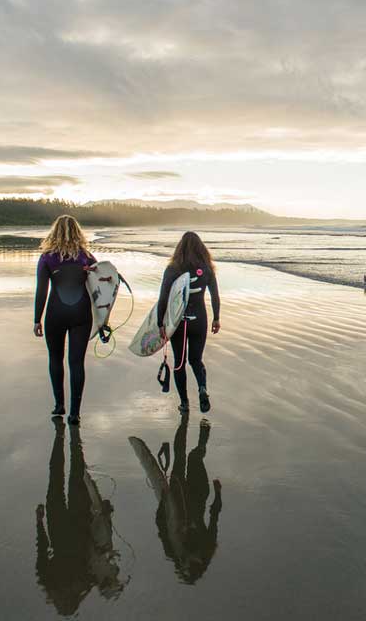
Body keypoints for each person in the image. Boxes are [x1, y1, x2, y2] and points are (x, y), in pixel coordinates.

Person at [35, 419, 125, 611]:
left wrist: (39, 522)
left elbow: (42, 554)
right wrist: (104, 514)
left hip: (62, 524)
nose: (64, 598)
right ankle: (69, 437)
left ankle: (64, 436)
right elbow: (98, 551)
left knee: (61, 475)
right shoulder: (83, 582)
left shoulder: (60, 583)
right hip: (76, 521)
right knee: (69, 474)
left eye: (62, 601)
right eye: (67, 601)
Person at [128, 416, 222, 584]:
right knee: (194, 457)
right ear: (200, 560)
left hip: (175, 496)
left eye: (190, 559)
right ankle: (200, 436)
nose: (195, 556)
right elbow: (214, 517)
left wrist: (164, 501)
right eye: (197, 558)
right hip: (198, 494)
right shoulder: (207, 547)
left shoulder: (171, 549)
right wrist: (218, 493)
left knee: (179, 457)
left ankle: (184, 423)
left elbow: (159, 523)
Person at [34, 215, 97, 425]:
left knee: (55, 358)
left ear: (54, 232)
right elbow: (104, 284)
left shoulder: (47, 258)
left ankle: (59, 404)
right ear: (78, 233)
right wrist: (103, 319)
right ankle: (74, 413)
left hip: (55, 313)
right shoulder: (86, 257)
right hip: (81, 314)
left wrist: (37, 319)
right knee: (76, 363)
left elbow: (41, 291)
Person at [157, 231, 220, 413]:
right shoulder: (207, 268)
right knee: (196, 360)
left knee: (180, 362)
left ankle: (184, 404)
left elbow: (163, 298)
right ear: (201, 248)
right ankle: (202, 388)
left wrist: (161, 323)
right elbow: (215, 295)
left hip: (179, 323)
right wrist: (217, 317)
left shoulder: (173, 269)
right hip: (199, 320)